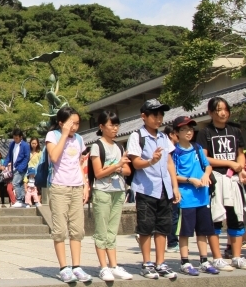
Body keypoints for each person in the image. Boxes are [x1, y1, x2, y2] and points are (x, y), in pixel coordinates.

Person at [127, 99, 180, 280]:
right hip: (146, 188)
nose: (159, 119)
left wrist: (175, 186)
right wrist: (151, 161)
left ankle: (160, 262)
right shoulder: (137, 136)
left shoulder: (165, 138)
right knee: (146, 226)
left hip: (165, 188)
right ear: (144, 116)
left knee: (163, 226)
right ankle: (147, 262)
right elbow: (135, 162)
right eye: (155, 115)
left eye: (161, 115)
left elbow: (170, 162)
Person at [195, 97, 246, 270]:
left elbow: (240, 153)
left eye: (225, 109)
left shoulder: (234, 130)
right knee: (216, 218)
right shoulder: (205, 132)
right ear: (211, 113)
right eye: (218, 109)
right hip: (216, 180)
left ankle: (236, 256)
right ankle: (217, 257)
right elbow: (204, 157)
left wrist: (240, 168)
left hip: (233, 179)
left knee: (237, 217)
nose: (223, 112)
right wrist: (228, 163)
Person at [45, 107, 92, 283]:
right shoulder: (53, 136)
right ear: (61, 122)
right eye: (71, 123)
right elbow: (54, 157)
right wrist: (64, 135)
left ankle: (77, 266)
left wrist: (85, 184)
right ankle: (64, 268)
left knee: (77, 229)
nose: (74, 127)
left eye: (77, 123)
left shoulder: (79, 139)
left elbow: (80, 164)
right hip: (59, 187)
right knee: (59, 230)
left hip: (76, 186)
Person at [170, 116, 221, 276]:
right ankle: (185, 261)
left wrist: (206, 175)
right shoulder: (175, 152)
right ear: (176, 132)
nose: (188, 132)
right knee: (185, 231)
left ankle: (204, 260)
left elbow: (208, 166)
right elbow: (173, 175)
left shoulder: (198, 147)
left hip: (202, 197)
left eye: (190, 128)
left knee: (203, 230)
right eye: (184, 129)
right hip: (186, 198)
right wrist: (189, 180)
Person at [89, 110, 133, 281]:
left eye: (116, 124)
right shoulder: (97, 146)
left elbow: (128, 170)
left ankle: (114, 265)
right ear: (101, 127)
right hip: (102, 191)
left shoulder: (119, 146)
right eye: (111, 125)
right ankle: (103, 266)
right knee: (101, 230)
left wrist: (119, 166)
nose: (115, 128)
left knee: (112, 230)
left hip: (118, 190)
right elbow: (98, 173)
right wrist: (117, 166)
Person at [163, 125, 181, 254]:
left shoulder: (176, 149)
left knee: (173, 215)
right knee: (172, 215)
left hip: (173, 185)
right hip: (167, 185)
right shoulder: (170, 150)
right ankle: (172, 242)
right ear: (171, 135)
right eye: (177, 133)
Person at [4, 127, 31, 208]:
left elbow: (27, 157)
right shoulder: (12, 144)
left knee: (15, 183)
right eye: (14, 137)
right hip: (14, 167)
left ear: (20, 137)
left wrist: (21, 167)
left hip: (21, 167)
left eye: (16, 138)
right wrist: (5, 164)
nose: (15, 139)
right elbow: (9, 156)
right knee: (20, 184)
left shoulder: (25, 145)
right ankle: (23, 201)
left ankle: (19, 200)